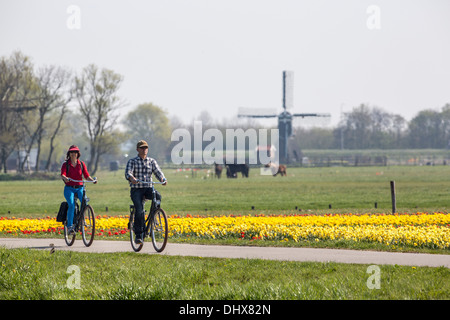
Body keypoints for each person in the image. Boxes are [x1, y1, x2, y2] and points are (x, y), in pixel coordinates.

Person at [125, 140, 167, 244]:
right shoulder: (132, 161)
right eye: (142, 148)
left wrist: (162, 179)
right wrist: (132, 178)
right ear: (137, 149)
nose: (144, 150)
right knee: (139, 210)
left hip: (148, 188)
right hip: (137, 189)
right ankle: (138, 235)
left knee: (157, 196)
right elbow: (128, 173)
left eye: (146, 148)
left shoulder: (151, 161)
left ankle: (154, 214)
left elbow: (158, 172)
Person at [60, 145, 97, 234]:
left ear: (78, 154)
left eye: (75, 152)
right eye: (72, 152)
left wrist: (93, 180)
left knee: (85, 203)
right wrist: (65, 178)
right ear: (69, 154)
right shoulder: (66, 164)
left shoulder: (81, 164)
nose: (74, 154)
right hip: (69, 188)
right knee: (72, 205)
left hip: (80, 187)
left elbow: (86, 176)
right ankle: (69, 226)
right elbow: (63, 174)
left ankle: (81, 219)